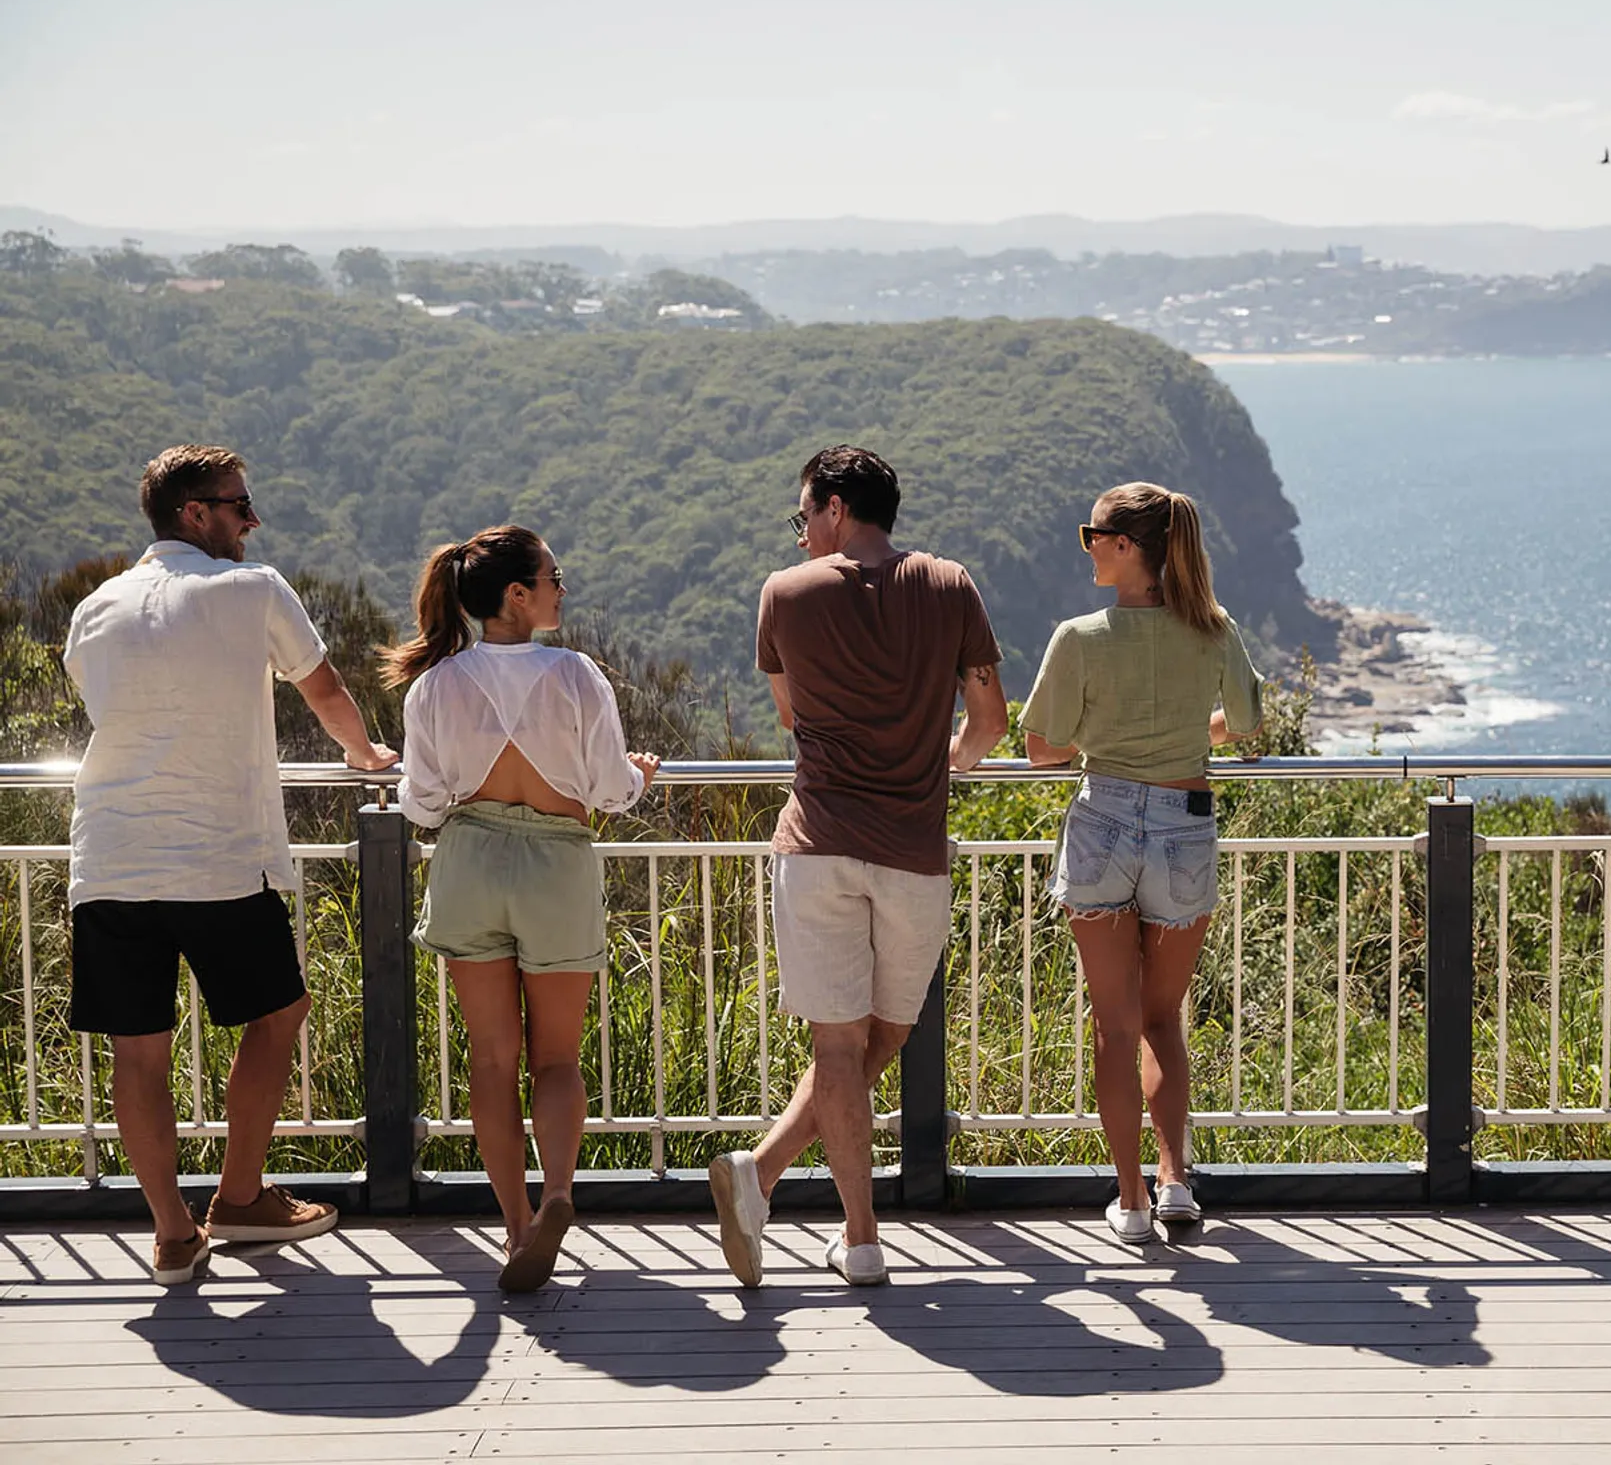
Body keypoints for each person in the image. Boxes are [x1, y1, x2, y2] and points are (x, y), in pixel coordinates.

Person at [64, 445, 400, 1286]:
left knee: (138, 1055)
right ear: (195, 513)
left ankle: (173, 1234)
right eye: (239, 505)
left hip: (109, 857)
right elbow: (324, 689)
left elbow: (105, 706)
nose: (252, 521)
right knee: (279, 1014)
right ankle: (241, 1196)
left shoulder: (96, 606)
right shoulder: (254, 589)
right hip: (217, 856)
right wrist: (365, 756)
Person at [710, 445, 1007, 1288]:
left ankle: (837, 1223)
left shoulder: (784, 593)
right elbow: (990, 717)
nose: (802, 531)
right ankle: (781, 1189)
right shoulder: (950, 584)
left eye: (803, 514)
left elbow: (790, 716)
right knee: (889, 1034)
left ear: (836, 507)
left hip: (818, 844)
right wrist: (943, 760)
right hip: (913, 850)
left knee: (840, 1046)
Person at [384, 526, 659, 1292]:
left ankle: (514, 1226)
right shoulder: (575, 675)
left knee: (491, 1058)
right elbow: (609, 791)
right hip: (556, 866)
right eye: (552, 577)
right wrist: (642, 775)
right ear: (516, 594)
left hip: (471, 863)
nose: (561, 590)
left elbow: (423, 805)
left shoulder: (435, 685)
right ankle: (559, 1193)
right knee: (558, 1057)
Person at [1019, 482, 1263, 1244]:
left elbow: (1041, 749)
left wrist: (1102, 737)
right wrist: (1191, 732)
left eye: (1092, 535)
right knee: (1163, 1018)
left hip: (1102, 822)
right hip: (1184, 823)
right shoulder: (1213, 629)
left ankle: (1130, 1202)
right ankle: (1175, 1182)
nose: (1087, 547)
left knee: (1115, 1026)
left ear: (1126, 547)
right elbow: (1247, 722)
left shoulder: (1079, 637)